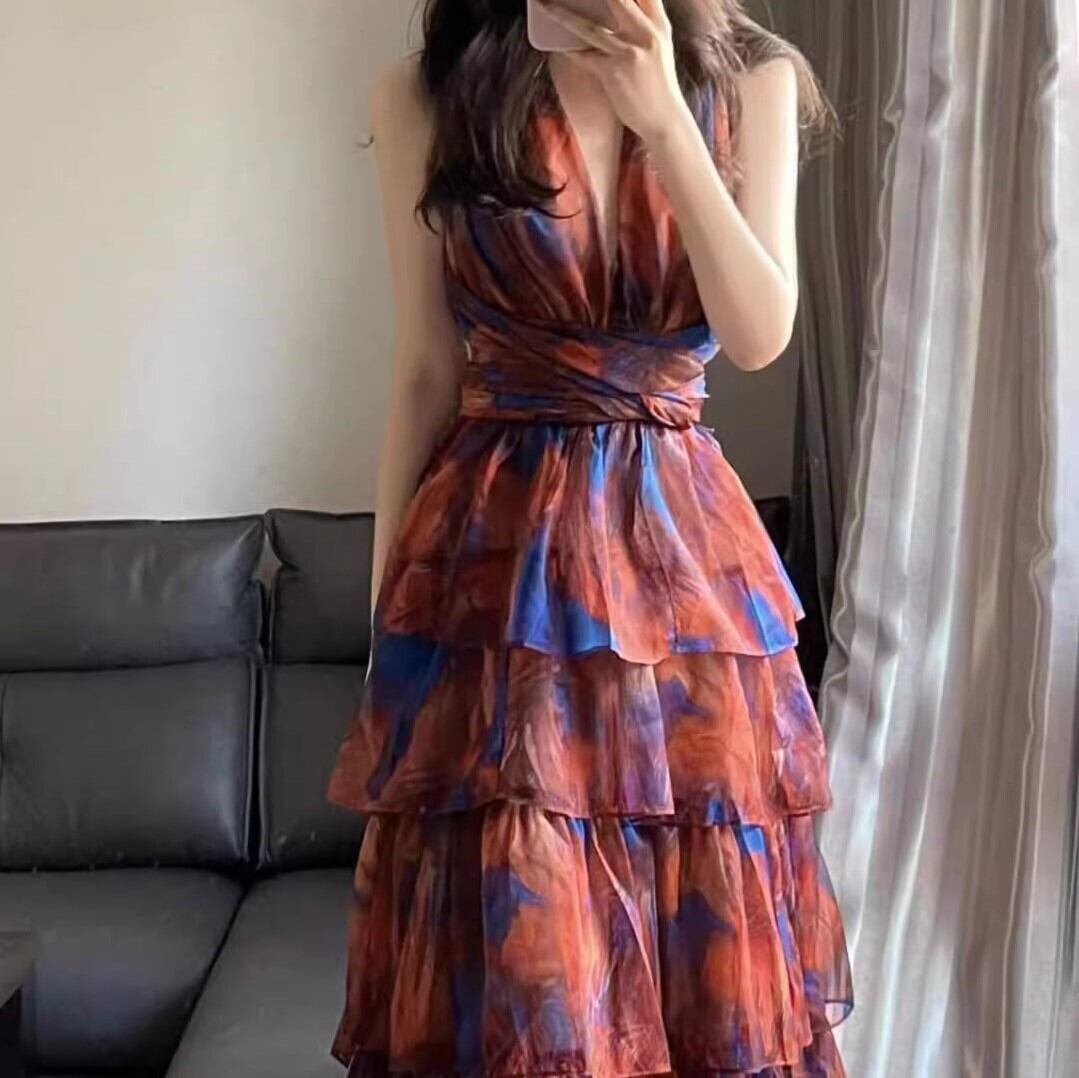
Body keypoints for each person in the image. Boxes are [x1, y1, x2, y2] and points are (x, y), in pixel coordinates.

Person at [326, 1, 854, 1074]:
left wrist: (665, 120)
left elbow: (759, 332)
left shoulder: (748, 78)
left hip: (685, 585)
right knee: (529, 955)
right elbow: (425, 371)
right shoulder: (428, 93)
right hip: (498, 579)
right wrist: (388, 628)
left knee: (704, 939)